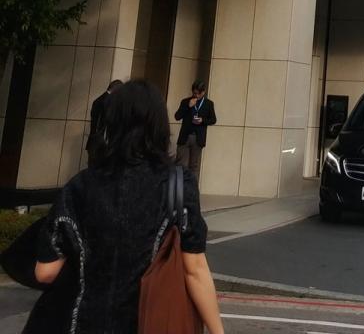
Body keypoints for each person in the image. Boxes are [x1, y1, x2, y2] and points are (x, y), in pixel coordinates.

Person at [26, 79, 224, 334]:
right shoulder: (177, 184)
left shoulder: (80, 186)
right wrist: (218, 331)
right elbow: (194, 269)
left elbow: (45, 272)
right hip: (145, 322)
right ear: (160, 126)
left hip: (85, 323)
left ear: (112, 124)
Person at [175, 79, 217, 174]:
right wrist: (188, 106)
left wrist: (202, 120)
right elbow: (177, 117)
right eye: (194, 93)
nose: (196, 96)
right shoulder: (185, 101)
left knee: (193, 166)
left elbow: (213, 120)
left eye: (198, 94)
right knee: (179, 164)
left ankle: (192, 184)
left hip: (198, 138)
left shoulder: (209, 104)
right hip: (185, 136)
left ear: (203, 92)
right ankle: (179, 184)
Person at [85, 79, 122, 160]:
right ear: (116, 90)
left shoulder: (97, 100)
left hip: (93, 142)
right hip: (102, 144)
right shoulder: (110, 103)